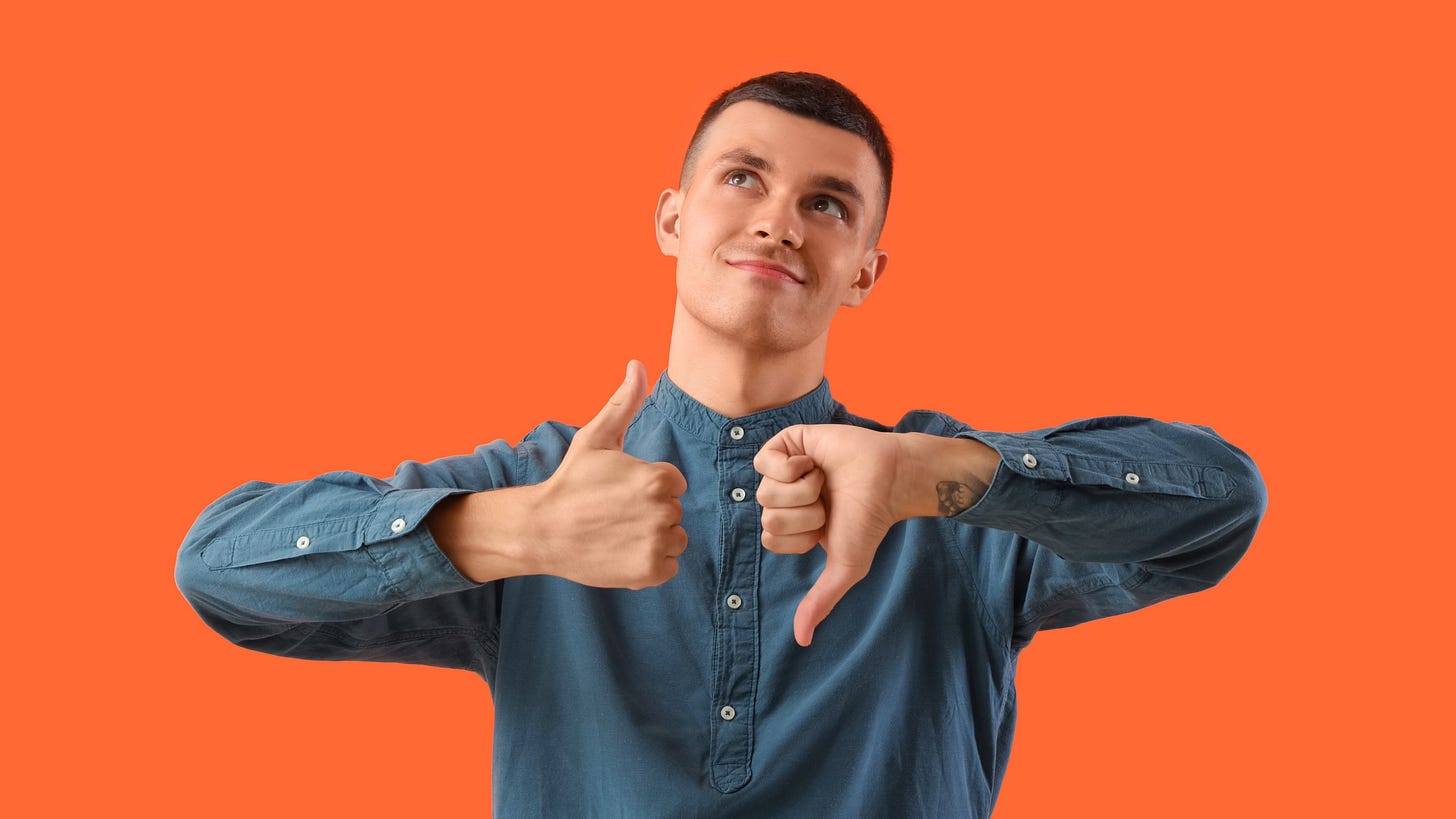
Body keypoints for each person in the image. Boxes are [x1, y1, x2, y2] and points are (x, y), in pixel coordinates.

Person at [176, 71, 1268, 817]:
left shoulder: (957, 512)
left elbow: (1217, 504)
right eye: (742, 178)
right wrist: (505, 531)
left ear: (866, 270)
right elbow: (221, 571)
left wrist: (938, 474)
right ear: (670, 218)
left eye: (828, 203)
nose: (778, 222)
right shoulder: (539, 493)